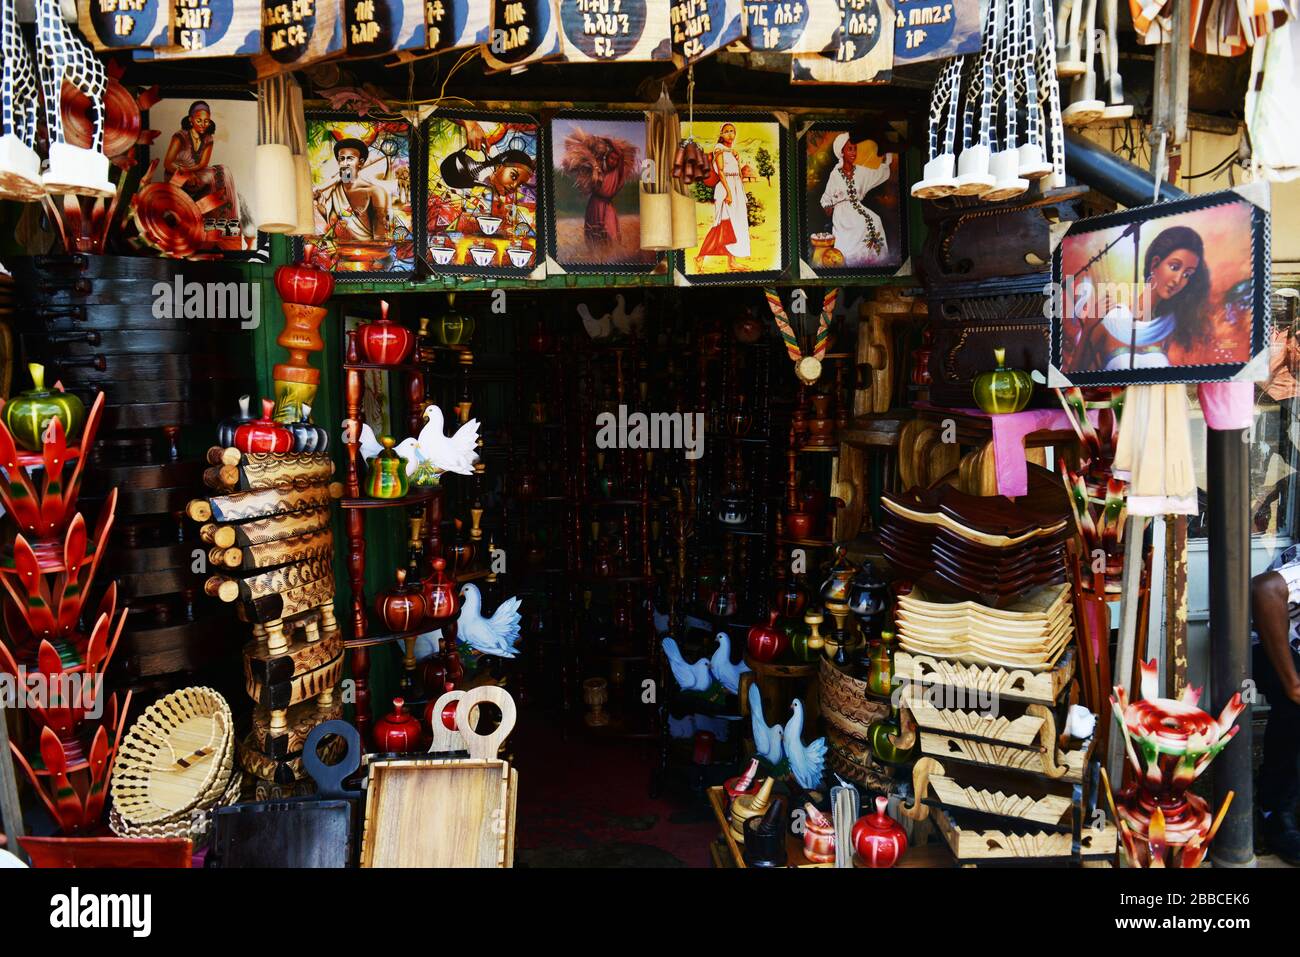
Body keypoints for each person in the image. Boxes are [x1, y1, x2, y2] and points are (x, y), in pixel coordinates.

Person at [1073, 225, 1210, 372]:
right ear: (1154, 264)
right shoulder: (1110, 317)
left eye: (1187, 274)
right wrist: (1088, 328)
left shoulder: (1170, 328)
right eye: (1174, 267)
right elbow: (1073, 377)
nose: (1178, 280)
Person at [1251, 549, 1300, 865]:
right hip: (1264, 640)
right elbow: (1264, 588)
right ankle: (1273, 810)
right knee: (1295, 706)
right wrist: (1294, 684)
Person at [162, 100, 240, 227]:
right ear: (190, 120)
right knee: (212, 177)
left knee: (224, 171)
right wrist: (186, 174)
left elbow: (203, 164)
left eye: (206, 121)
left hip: (197, 174)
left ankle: (225, 219)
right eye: (199, 120)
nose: (203, 124)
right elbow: (168, 163)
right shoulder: (179, 136)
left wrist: (193, 173)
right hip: (175, 175)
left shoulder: (208, 138)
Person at [819, 134, 892, 266]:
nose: (853, 153)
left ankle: (875, 260)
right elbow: (826, 196)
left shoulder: (860, 171)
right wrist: (827, 206)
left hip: (857, 209)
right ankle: (852, 261)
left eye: (855, 149)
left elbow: (878, 174)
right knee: (858, 226)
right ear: (842, 152)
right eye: (849, 149)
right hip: (842, 214)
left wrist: (886, 159)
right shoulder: (835, 174)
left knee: (875, 220)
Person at [695, 123, 749, 271]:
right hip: (726, 189)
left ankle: (732, 262)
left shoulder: (730, 151)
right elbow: (721, 172)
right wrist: (729, 193)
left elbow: (736, 172)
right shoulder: (719, 149)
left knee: (736, 226)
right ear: (721, 134)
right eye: (727, 132)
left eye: (732, 131)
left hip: (736, 187)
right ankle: (700, 256)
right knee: (722, 225)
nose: (730, 134)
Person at [314, 137, 390, 242]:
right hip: (339, 252)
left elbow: (380, 236)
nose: (345, 163)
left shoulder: (374, 192)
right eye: (341, 159)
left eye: (350, 158)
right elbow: (335, 225)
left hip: (367, 253)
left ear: (360, 162)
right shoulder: (335, 190)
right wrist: (321, 208)